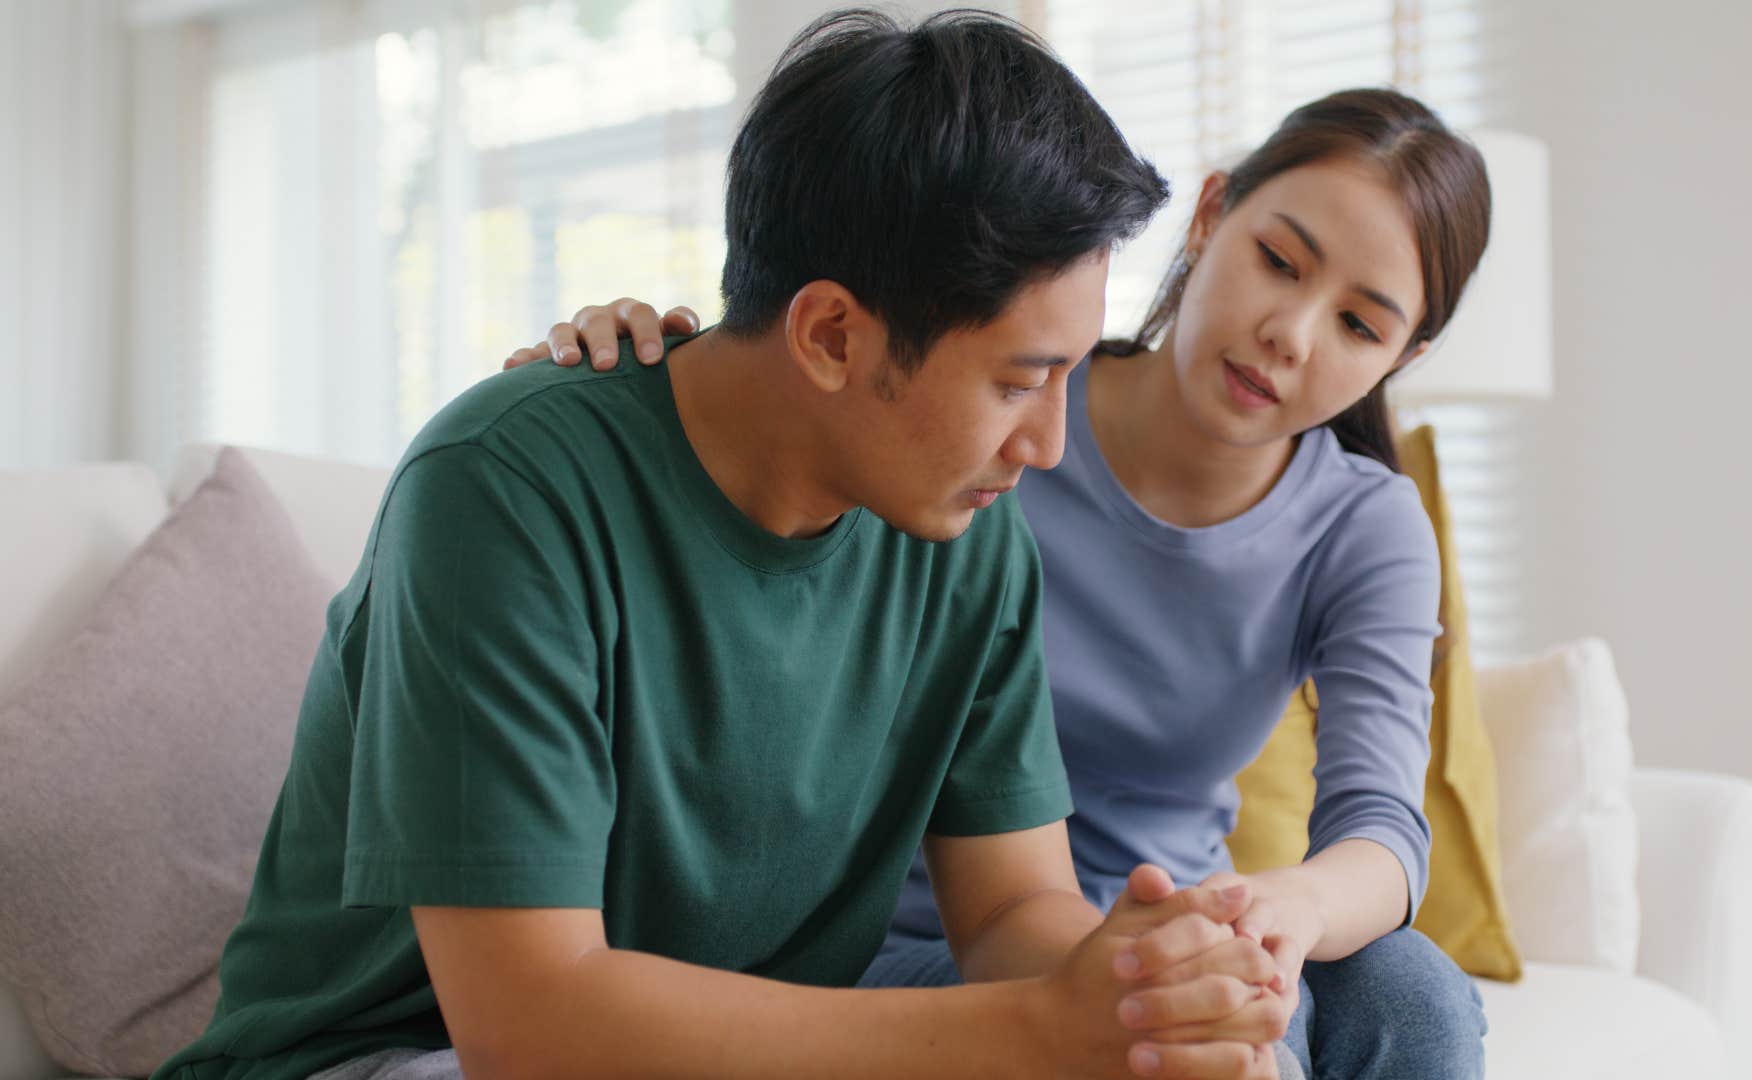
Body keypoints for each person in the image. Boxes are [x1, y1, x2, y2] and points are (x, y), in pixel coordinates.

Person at [151, 10, 1299, 1080]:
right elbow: (527, 1025)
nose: (1048, 445)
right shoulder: (503, 490)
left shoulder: (965, 531)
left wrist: (1144, 981)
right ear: (833, 335)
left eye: (1069, 377)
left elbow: (1007, 913)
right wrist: (1033, 1028)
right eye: (1019, 381)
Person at [508, 86, 1496, 1079]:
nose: (1291, 332)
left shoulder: (1362, 525)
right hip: (920, 946)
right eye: (1278, 261)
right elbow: (786, 401)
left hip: (1154, 931)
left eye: (1360, 327)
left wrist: (1281, 911)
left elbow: (1381, 827)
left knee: (1408, 992)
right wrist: (640, 365)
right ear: (1209, 215)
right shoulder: (966, 428)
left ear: (1402, 358)